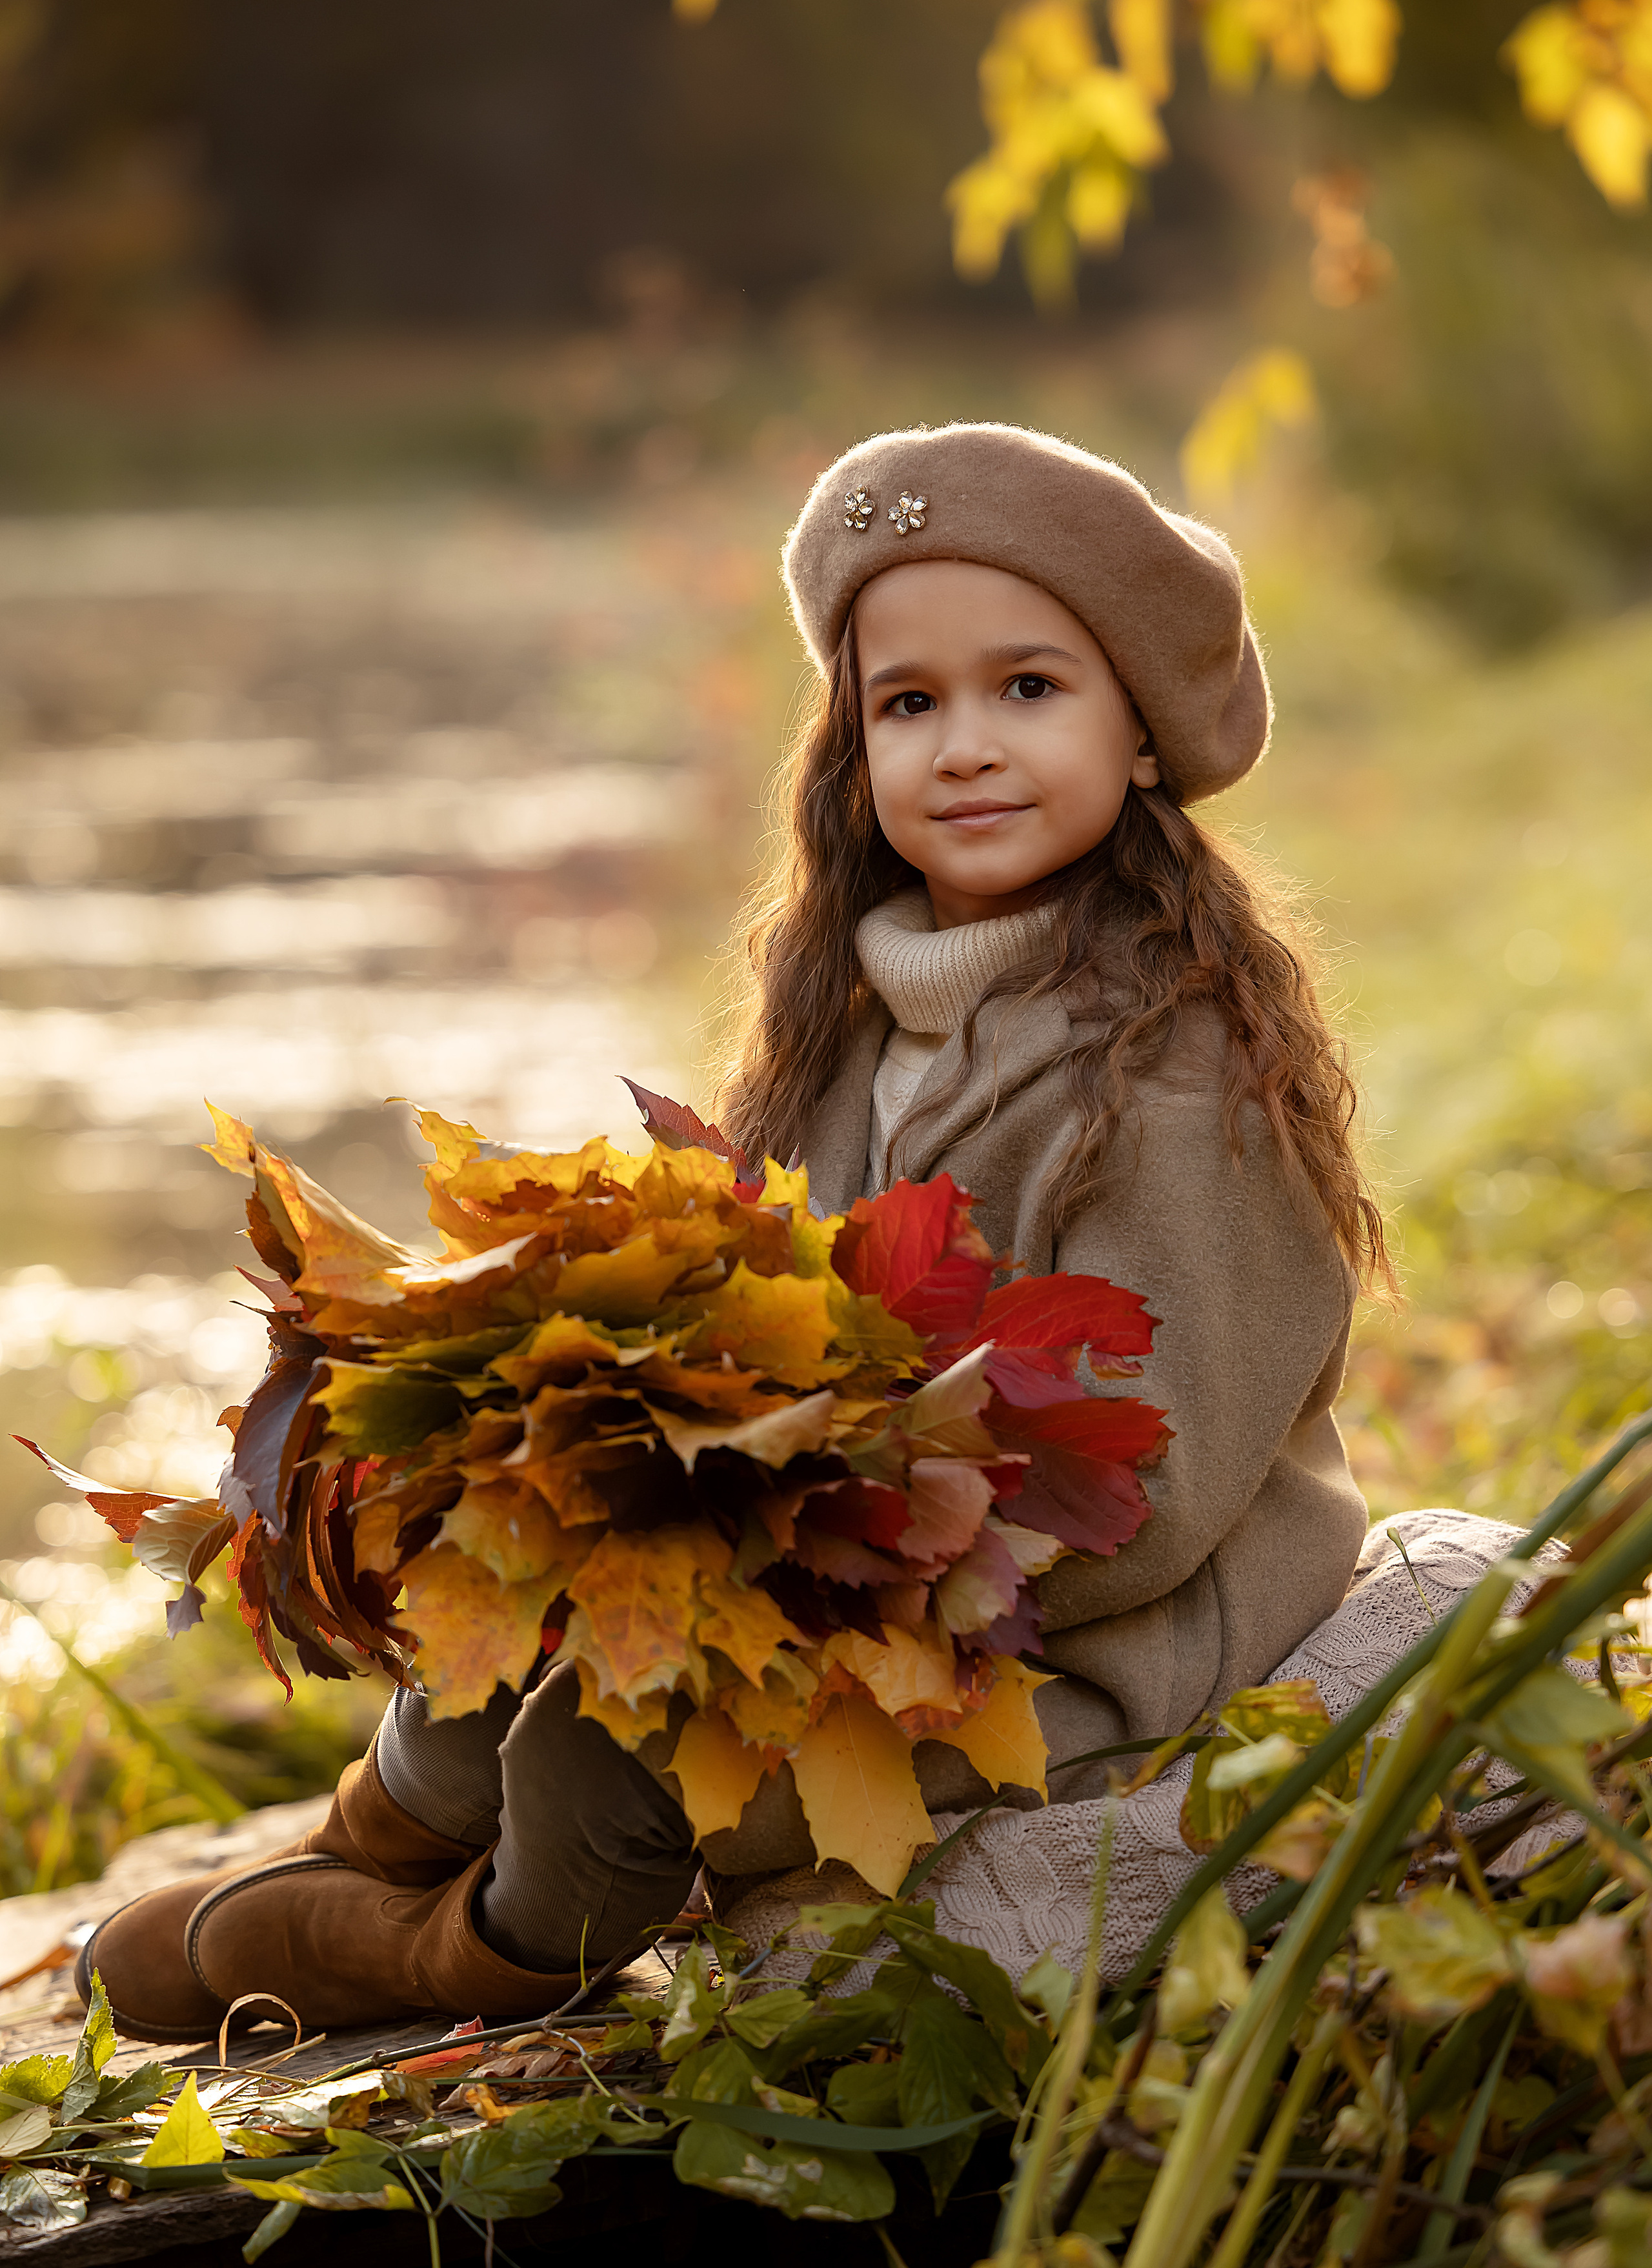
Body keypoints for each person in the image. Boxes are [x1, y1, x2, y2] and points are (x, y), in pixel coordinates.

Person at [79, 422, 1393, 2043]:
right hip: (807, 1562)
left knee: (602, 1749)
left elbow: (1157, 1483)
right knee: (485, 1640)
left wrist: (776, 1551)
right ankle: (378, 1838)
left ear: (1139, 733)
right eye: (908, 703)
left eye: (1027, 689)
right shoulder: (842, 1019)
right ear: (855, 747)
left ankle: (458, 1958)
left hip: (1080, 1630)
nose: (964, 744)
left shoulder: (1177, 1067)